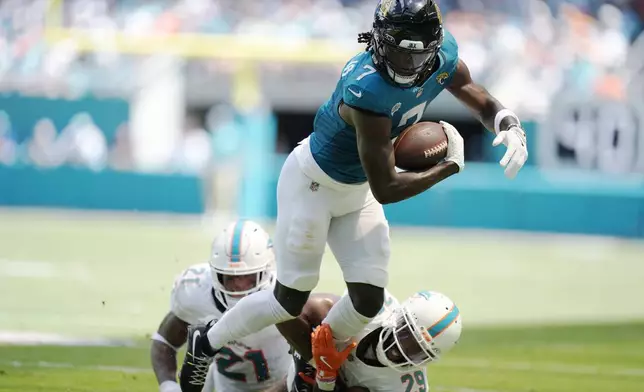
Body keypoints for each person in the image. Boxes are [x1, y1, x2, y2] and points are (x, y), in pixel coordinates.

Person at [193, 2, 527, 389]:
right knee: (288, 299)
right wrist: (448, 167)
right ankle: (208, 341)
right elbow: (386, 188)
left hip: (356, 190)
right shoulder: (366, 87)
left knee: (368, 299)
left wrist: (506, 120)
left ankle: (320, 358)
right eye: (400, 49)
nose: (408, 61)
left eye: (418, 51)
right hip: (314, 184)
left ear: (434, 45)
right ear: (380, 40)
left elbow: (475, 95)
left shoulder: (444, 54)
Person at [151, 220, 291, 392]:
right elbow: (164, 341)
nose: (238, 285)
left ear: (266, 272)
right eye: (229, 277)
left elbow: (307, 364)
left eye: (247, 277)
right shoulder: (195, 292)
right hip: (223, 385)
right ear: (215, 273)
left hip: (282, 385)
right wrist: (169, 387)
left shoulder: (283, 298)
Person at [268, 289, 462, 392]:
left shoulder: (405, 387)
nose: (404, 350)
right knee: (295, 310)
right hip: (322, 363)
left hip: (336, 385)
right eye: (407, 335)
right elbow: (290, 311)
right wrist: (316, 357)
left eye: (419, 351)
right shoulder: (375, 309)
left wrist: (326, 377)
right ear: (398, 317)